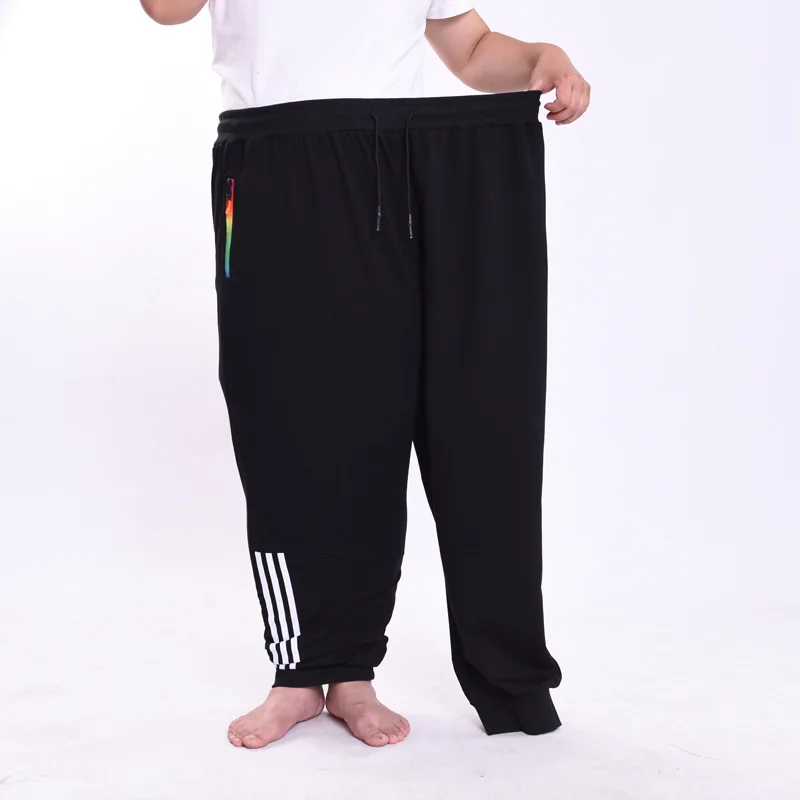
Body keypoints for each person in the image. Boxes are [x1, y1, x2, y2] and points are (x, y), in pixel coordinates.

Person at [141, 0, 590, 749]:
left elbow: (470, 47)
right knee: (295, 424)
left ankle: (361, 676)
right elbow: (165, 9)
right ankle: (301, 671)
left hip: (412, 162)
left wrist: (541, 57)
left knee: (462, 419)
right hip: (280, 162)